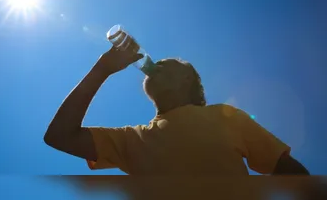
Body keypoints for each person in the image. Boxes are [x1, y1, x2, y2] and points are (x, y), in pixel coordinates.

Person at [44, 46, 310, 175]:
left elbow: (290, 171)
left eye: (167, 64)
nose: (156, 65)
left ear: (188, 79)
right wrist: (101, 69)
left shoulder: (225, 116)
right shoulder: (133, 138)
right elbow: (59, 136)